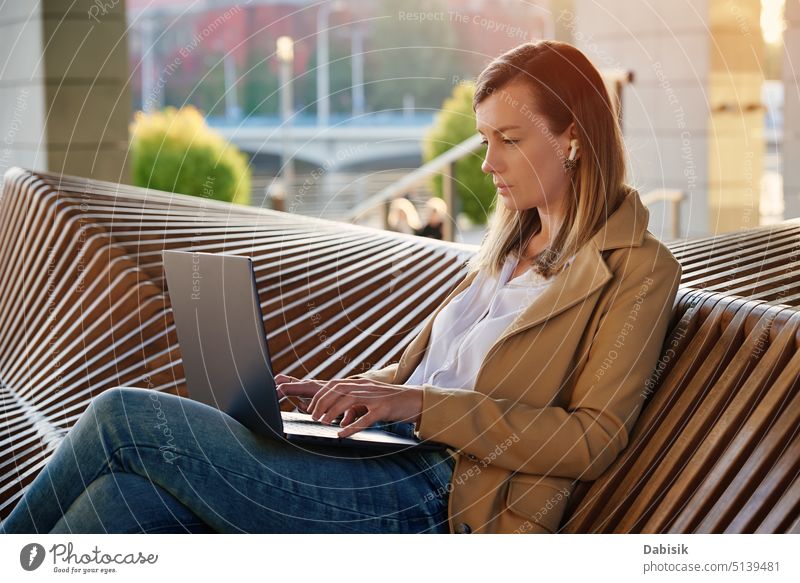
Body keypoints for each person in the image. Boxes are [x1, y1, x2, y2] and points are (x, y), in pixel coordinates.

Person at [1, 40, 681, 535]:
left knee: (124, 416)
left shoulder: (638, 268)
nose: (487, 162)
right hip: (382, 459)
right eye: (482, 140)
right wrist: (338, 394)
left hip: (437, 500)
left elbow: (592, 440)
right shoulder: (508, 244)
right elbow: (437, 373)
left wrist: (414, 403)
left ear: (573, 139)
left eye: (507, 138)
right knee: (126, 501)